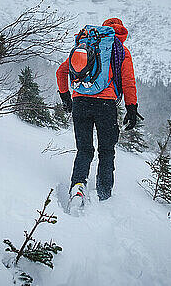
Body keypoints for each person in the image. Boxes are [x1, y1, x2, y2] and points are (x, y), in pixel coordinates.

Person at [56, 17, 140, 203]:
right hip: (106, 105)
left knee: (84, 149)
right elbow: (128, 81)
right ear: (121, 32)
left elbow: (61, 72)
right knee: (107, 150)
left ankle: (78, 186)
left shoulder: (86, 44)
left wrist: (65, 97)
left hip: (80, 101)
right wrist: (131, 108)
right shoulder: (121, 50)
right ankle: (104, 195)